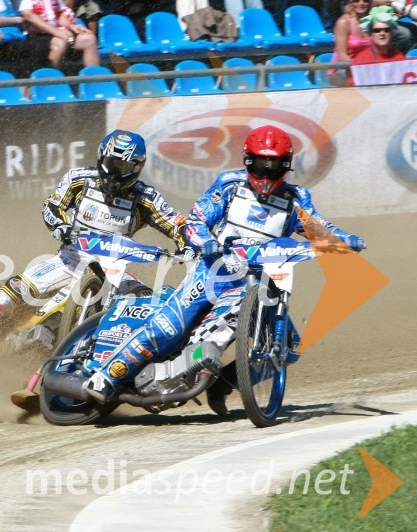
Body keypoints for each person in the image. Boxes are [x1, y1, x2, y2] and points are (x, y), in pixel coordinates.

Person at [81, 125, 367, 415]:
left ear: (286, 165)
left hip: (257, 282)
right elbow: (196, 219)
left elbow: (317, 228)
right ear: (248, 160)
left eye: (274, 165)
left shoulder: (296, 198)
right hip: (212, 272)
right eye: (260, 163)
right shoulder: (230, 184)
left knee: (289, 345)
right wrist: (205, 241)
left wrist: (345, 239)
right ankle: (106, 376)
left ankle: (227, 381)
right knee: (168, 328)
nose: (266, 172)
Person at [0, 130, 189, 347]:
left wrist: (189, 245)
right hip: (69, 260)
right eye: (112, 164)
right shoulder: (79, 179)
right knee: (8, 295)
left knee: (148, 302)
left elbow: (177, 224)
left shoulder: (146, 197)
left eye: (124, 166)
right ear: (101, 158)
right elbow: (52, 205)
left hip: (114, 268)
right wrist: (60, 225)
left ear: (137, 167)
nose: (115, 172)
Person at [18, 0, 100, 69]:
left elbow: (61, 15)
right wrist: (56, 32)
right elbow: (28, 16)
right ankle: (49, 81)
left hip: (61, 35)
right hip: (38, 37)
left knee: (89, 39)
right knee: (60, 42)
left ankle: (94, 82)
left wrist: (72, 26)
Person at [350, 5, 406, 77]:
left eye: (386, 30)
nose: (382, 33)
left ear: (391, 33)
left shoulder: (399, 56)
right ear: (371, 34)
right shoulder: (361, 59)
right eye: (377, 30)